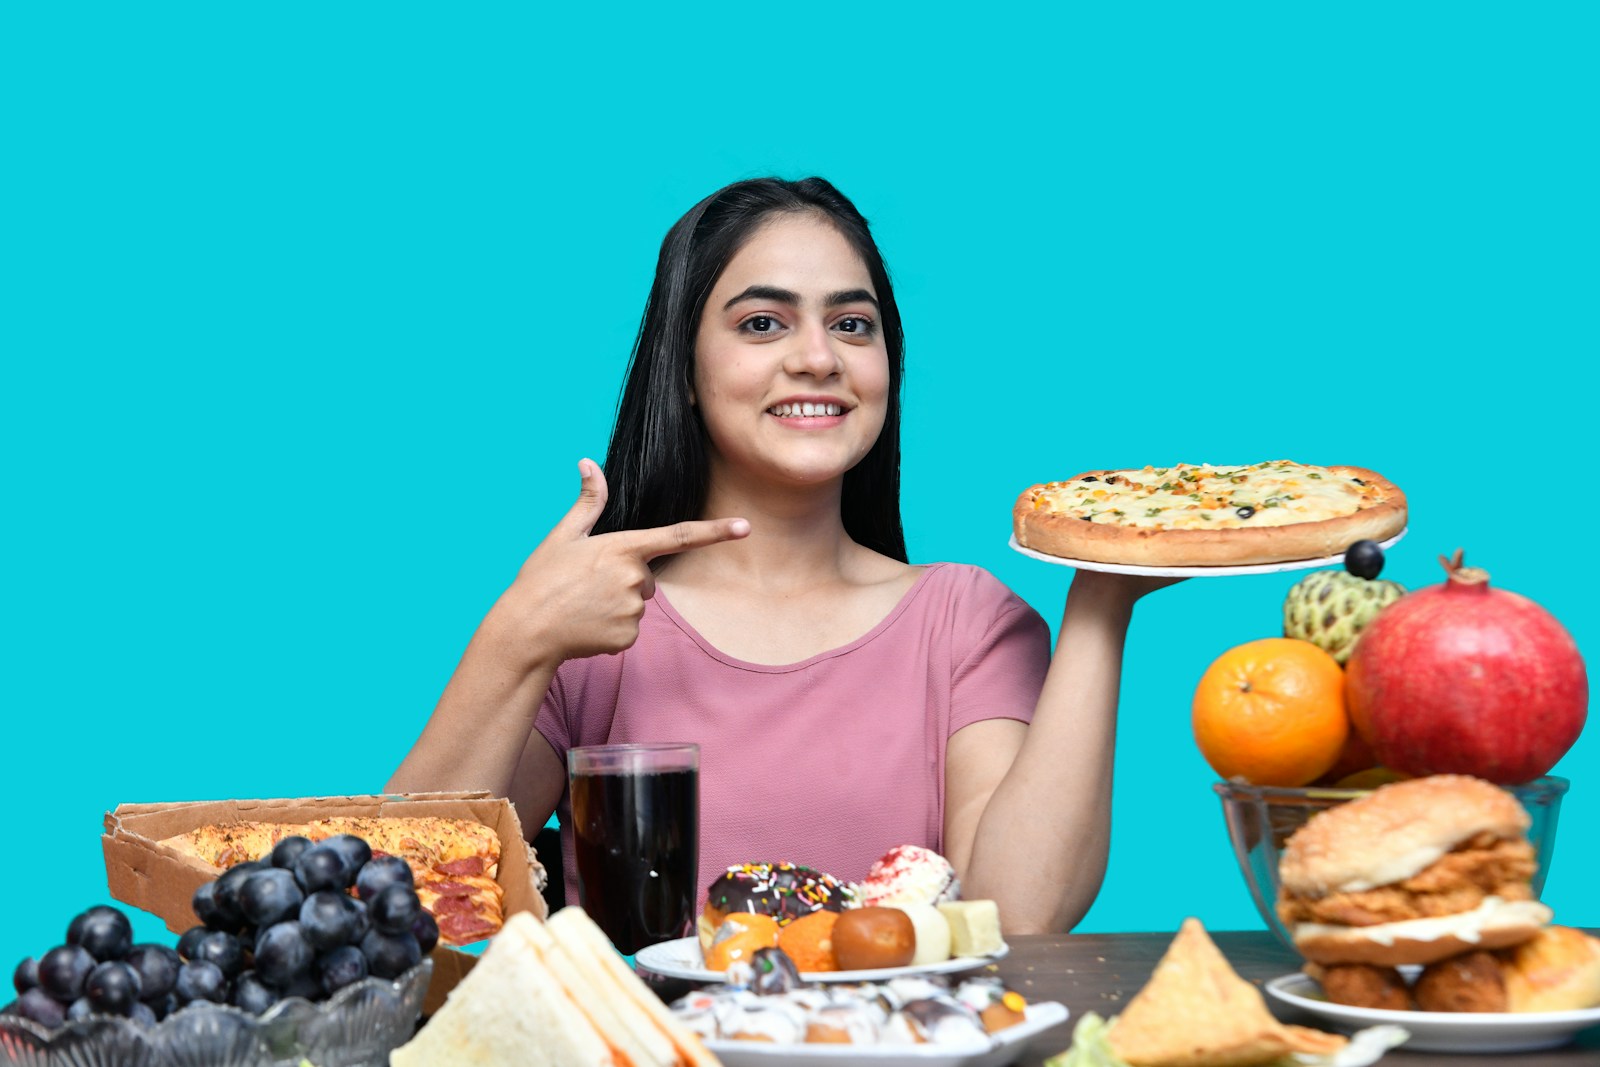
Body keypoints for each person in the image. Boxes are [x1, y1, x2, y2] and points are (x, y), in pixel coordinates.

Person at [387, 177, 1170, 933]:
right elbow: (401, 896)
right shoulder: (593, 628)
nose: (818, 359)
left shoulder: (966, 622)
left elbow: (1018, 913)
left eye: (852, 325)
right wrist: (518, 634)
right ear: (685, 370)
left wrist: (1103, 598)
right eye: (763, 322)